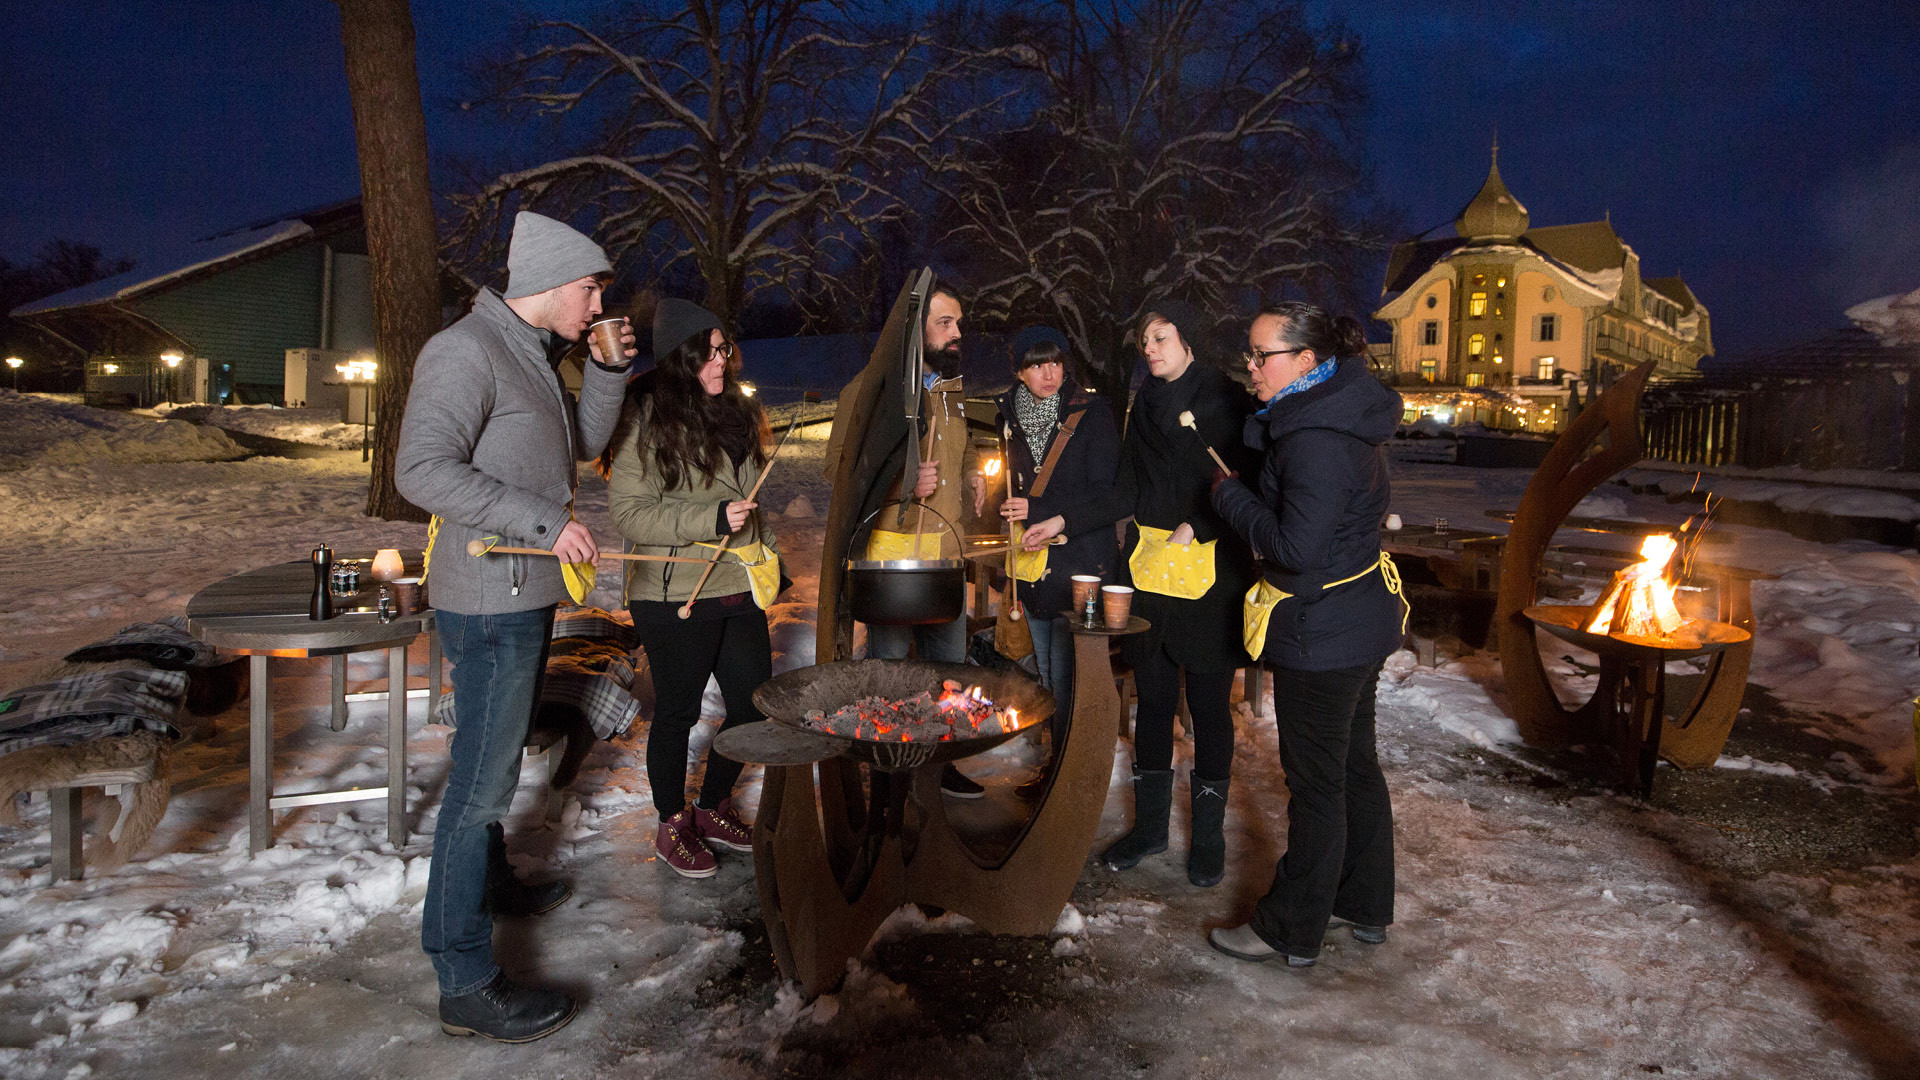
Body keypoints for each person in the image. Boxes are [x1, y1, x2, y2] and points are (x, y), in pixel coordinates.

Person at [396, 210, 637, 1042]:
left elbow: (577, 445)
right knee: (480, 786)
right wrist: (541, 521)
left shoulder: (530, 354)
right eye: (590, 287)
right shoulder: (465, 350)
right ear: (546, 281)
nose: (599, 301)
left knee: (488, 764)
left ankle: (492, 880)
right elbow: (420, 469)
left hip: (521, 594)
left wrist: (607, 368)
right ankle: (463, 975)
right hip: (489, 600)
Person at [1204, 301, 1407, 968]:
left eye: (1264, 356)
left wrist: (1231, 496)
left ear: (1308, 363)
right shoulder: (1336, 413)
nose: (1252, 367)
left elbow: (1294, 546)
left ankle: (1289, 929)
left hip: (1325, 632)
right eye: (1250, 353)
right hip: (1357, 619)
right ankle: (1363, 903)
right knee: (1352, 768)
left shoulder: (1317, 439)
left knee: (1320, 784)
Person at [1025, 300, 1255, 886]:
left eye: (1160, 336)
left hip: (1209, 574)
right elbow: (1124, 489)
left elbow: (1249, 482)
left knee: (1207, 707)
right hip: (1150, 572)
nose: (1148, 348)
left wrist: (1200, 525)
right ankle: (1151, 830)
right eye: (1143, 340)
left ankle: (1207, 839)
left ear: (1189, 338)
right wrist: (1063, 523)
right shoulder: (1142, 404)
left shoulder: (1226, 399)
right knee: (1151, 703)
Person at [603, 299, 778, 879]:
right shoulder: (646, 417)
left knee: (753, 706)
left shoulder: (736, 413)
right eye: (707, 353)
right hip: (673, 590)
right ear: (681, 359)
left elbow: (750, 501)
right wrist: (711, 519)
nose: (720, 362)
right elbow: (630, 513)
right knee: (678, 713)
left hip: (735, 583)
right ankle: (670, 823)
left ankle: (711, 807)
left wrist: (765, 548)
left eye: (724, 349)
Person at [825, 279, 987, 797]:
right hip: (889, 565)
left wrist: (972, 481)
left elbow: (955, 464)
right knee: (890, 674)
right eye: (945, 323)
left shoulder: (951, 395)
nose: (958, 332)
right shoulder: (870, 393)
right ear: (914, 333)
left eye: (959, 322)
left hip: (945, 558)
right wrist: (900, 480)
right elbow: (840, 470)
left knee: (949, 671)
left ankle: (941, 763)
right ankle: (891, 770)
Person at [993, 326, 1118, 798]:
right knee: (1045, 673)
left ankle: (1068, 783)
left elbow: (1110, 497)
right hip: (1033, 565)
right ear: (1019, 372)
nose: (1049, 373)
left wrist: (1039, 511)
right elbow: (1015, 489)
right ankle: (1055, 770)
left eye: (1056, 362)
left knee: (1068, 677)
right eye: (1036, 364)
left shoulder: (1092, 414)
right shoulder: (1010, 418)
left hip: (1081, 568)